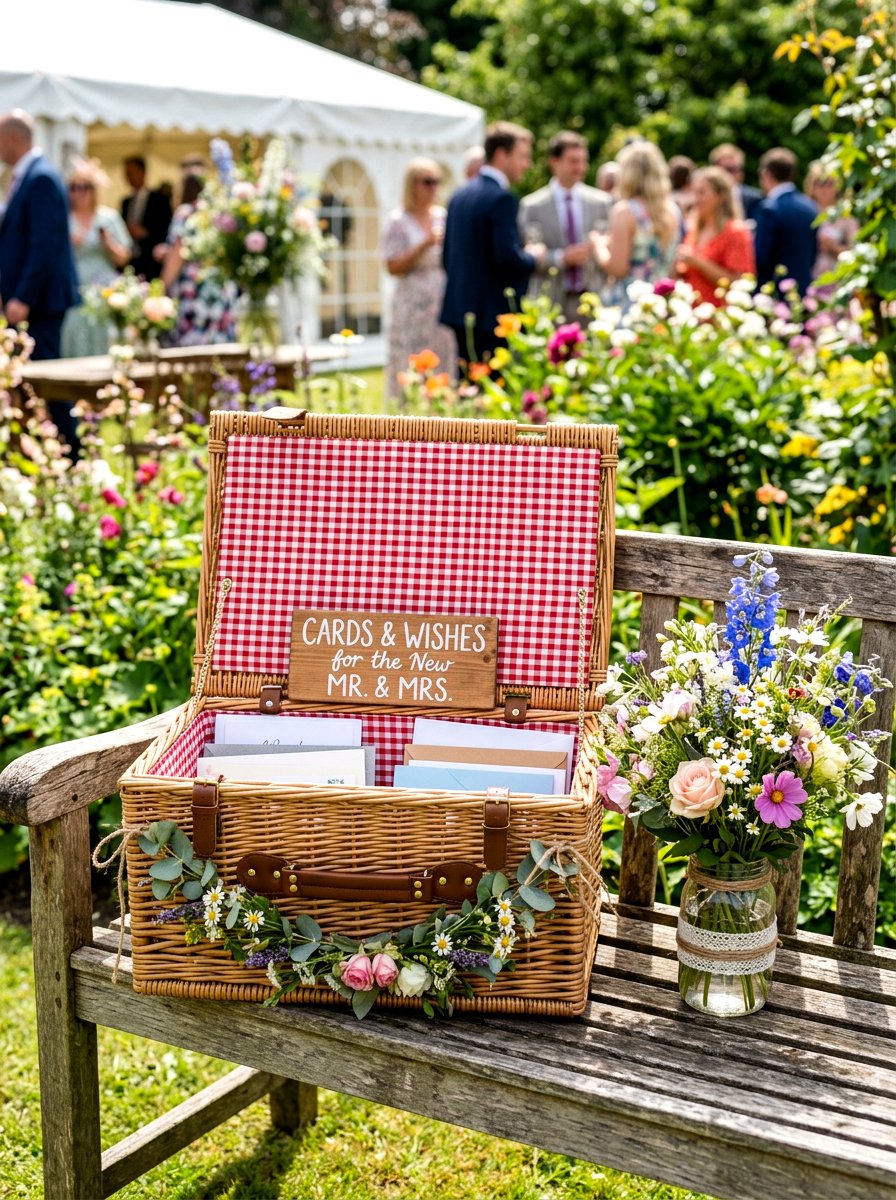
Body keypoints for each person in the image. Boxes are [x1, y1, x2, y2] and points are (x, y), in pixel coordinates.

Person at [0, 109, 79, 449]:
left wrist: (23, 297)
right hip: (29, 301)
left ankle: (71, 450)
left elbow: (43, 245)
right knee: (29, 381)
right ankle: (46, 449)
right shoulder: (27, 176)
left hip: (39, 303)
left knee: (47, 381)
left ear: (13, 139)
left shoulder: (41, 177)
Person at [440, 121, 542, 368]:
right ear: (500, 154)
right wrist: (534, 257)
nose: (527, 164)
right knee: (493, 393)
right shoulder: (501, 199)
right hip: (491, 316)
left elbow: (446, 258)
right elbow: (507, 258)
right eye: (522, 157)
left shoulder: (458, 195)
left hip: (459, 309)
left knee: (468, 388)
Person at [380, 158, 456, 398]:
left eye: (437, 182)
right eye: (427, 182)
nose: (434, 187)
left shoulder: (442, 217)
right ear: (412, 185)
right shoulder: (398, 221)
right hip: (411, 304)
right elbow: (392, 266)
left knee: (442, 357)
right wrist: (424, 244)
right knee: (410, 359)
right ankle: (407, 416)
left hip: (441, 302)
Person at [519, 131, 611, 322]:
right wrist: (562, 258)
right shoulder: (532, 205)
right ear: (554, 161)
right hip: (551, 301)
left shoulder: (601, 202)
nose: (580, 167)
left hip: (592, 300)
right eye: (573, 161)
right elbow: (525, 256)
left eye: (582, 161)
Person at [591, 140, 681, 310]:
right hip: (661, 304)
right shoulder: (673, 210)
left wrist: (599, 246)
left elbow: (618, 268)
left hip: (629, 306)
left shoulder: (625, 211)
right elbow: (672, 269)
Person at [60, 157, 133, 357]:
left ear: (94, 190)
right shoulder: (64, 219)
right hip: (75, 291)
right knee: (76, 337)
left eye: (84, 187)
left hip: (104, 290)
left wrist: (108, 244)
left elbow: (124, 258)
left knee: (105, 338)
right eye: (74, 187)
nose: (79, 192)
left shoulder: (108, 218)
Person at [160, 173, 237, 347]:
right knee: (219, 347)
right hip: (220, 285)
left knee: (190, 351)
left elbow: (178, 252)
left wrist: (162, 286)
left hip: (194, 289)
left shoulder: (185, 212)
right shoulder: (219, 212)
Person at [675, 166, 755, 306]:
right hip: (690, 314)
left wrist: (699, 263)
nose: (695, 199)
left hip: (719, 315)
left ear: (720, 196)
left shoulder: (735, 232)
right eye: (694, 192)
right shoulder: (694, 228)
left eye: (702, 193)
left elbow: (739, 282)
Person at [754, 147, 819, 297]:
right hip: (804, 286)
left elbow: (761, 257)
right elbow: (814, 252)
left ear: (766, 174)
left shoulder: (769, 208)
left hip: (774, 291)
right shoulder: (809, 206)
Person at [804, 161, 858, 282]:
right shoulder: (804, 212)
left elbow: (856, 253)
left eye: (829, 183)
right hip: (806, 276)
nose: (824, 189)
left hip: (835, 279)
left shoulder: (846, 216)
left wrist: (833, 247)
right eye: (819, 183)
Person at [121, 154, 172, 280]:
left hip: (151, 262)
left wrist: (145, 234)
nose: (128, 177)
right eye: (126, 174)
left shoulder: (159, 200)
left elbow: (166, 230)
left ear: (142, 172)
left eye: (131, 173)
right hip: (131, 262)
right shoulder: (126, 202)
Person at [709, 143, 764, 223]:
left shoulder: (755, 199)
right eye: (729, 169)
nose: (735, 173)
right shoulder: (706, 199)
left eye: (738, 168)